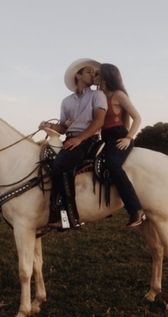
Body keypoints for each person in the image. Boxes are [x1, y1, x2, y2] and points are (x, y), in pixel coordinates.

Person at [48, 58, 108, 228]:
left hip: (87, 138)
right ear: (78, 75)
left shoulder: (98, 95)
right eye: (88, 71)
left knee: (61, 166)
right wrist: (49, 125)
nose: (93, 75)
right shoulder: (66, 101)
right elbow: (62, 127)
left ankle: (69, 217)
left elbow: (99, 121)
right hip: (70, 139)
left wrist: (80, 138)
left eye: (94, 73)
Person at [93, 63, 146, 227]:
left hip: (120, 136)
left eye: (98, 74)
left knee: (113, 164)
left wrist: (129, 138)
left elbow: (137, 117)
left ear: (106, 76)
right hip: (105, 138)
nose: (95, 77)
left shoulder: (118, 95)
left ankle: (136, 210)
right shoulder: (99, 95)